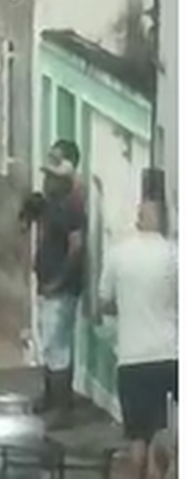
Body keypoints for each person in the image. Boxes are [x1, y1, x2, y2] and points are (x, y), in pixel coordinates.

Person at [98, 201, 178, 479]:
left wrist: (125, 306)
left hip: (133, 358)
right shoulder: (174, 254)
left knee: (136, 435)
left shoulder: (118, 254)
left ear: (138, 219)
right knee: (160, 430)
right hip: (170, 355)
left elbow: (104, 302)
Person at [27, 139, 85, 424]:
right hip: (47, 283)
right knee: (48, 343)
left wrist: (59, 281)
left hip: (60, 288)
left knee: (57, 344)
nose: (47, 180)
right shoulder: (51, 202)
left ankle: (63, 409)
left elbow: (76, 247)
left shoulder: (72, 205)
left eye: (52, 176)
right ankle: (50, 396)